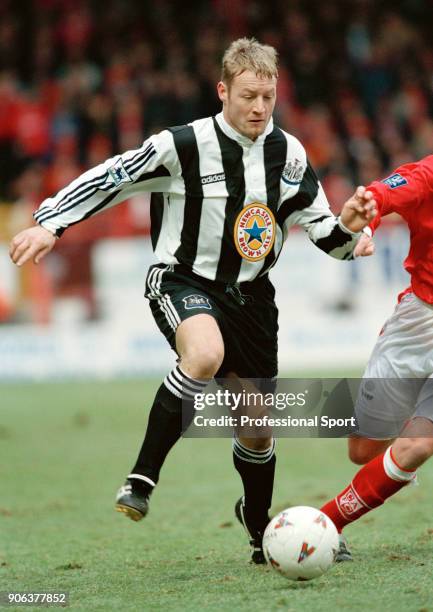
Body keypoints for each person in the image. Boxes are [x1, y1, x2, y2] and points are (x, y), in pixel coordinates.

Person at [9, 38, 376, 564]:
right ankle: (142, 477)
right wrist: (51, 223)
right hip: (183, 280)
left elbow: (323, 230)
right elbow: (112, 177)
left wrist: (351, 235)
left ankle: (260, 536)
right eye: (248, 95)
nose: (258, 108)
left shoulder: (289, 153)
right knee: (203, 355)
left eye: (268, 97)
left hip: (252, 299)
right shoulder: (181, 144)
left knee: (257, 426)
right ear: (223, 90)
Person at [321, 155, 433, 561]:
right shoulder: (427, 175)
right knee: (363, 450)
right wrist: (363, 224)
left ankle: (324, 523)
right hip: (418, 326)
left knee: (416, 447)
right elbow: (380, 195)